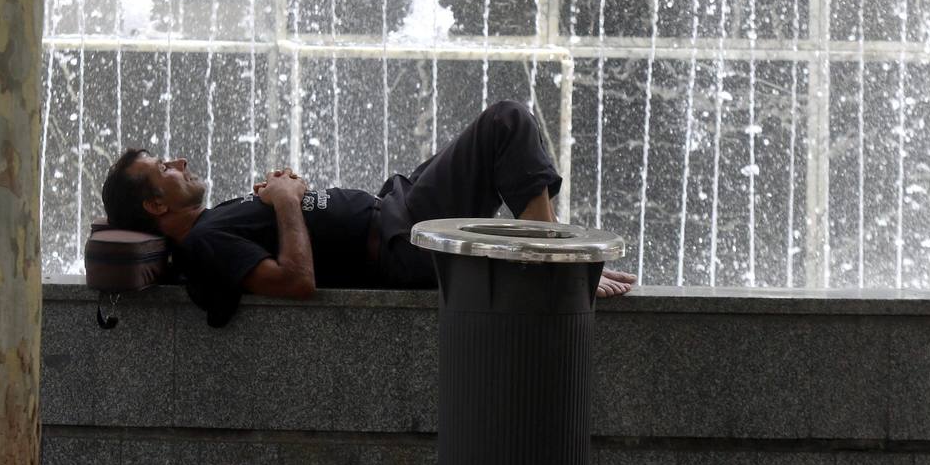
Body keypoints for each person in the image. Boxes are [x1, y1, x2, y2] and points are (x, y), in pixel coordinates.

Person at [100, 100, 636, 326]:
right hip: (399, 243)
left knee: (501, 137)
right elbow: (296, 281)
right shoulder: (202, 245)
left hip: (395, 207)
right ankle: (552, 267)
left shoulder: (211, 226)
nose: (179, 160)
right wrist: (287, 201)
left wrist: (284, 197)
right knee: (507, 122)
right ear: (156, 204)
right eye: (163, 166)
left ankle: (550, 255)